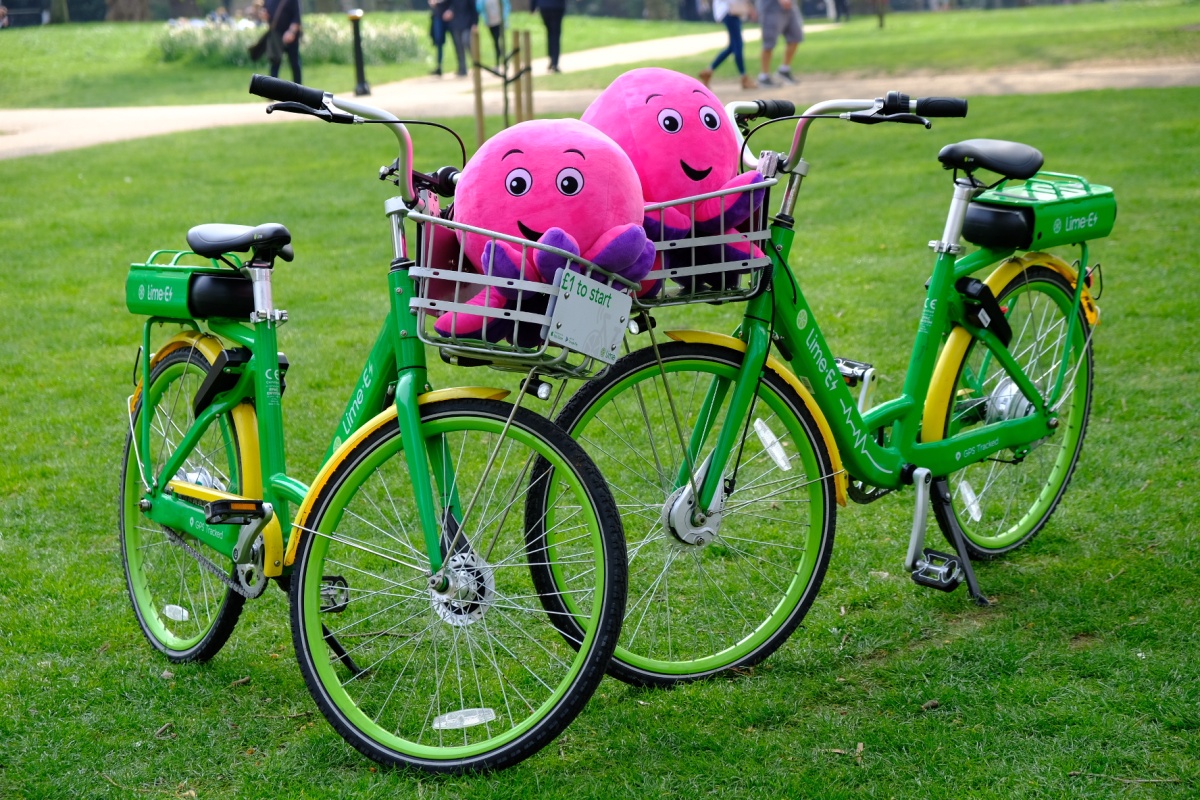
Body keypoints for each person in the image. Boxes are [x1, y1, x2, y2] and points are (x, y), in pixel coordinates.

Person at [698, 0, 757, 91]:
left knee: (732, 47)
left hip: (729, 11)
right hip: (729, 11)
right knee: (738, 45)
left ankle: (708, 71)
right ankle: (744, 77)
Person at [755, 0, 801, 87]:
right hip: (771, 8)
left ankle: (784, 70)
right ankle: (764, 77)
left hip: (790, 6)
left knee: (795, 37)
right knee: (769, 43)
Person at [261, 0, 302, 85]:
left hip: (291, 35)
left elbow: (297, 17)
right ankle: (272, 91)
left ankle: (299, 91)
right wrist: (263, 14)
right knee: (274, 63)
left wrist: (291, 32)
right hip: (276, 35)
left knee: (294, 63)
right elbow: (264, 11)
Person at [531, 0, 565, 73]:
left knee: (550, 33)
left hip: (544, 5)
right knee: (555, 34)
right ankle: (554, 61)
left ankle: (551, 59)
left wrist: (532, 7)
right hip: (557, 6)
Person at [475, 0, 509, 68]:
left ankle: (502, 61)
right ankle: (500, 60)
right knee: (496, 42)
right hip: (491, 23)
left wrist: (504, 18)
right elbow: (478, 8)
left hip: (500, 22)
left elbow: (507, 7)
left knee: (501, 42)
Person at [429, 0, 451, 76]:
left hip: (450, 16)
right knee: (439, 42)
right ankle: (439, 66)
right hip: (438, 15)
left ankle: (464, 66)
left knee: (458, 41)